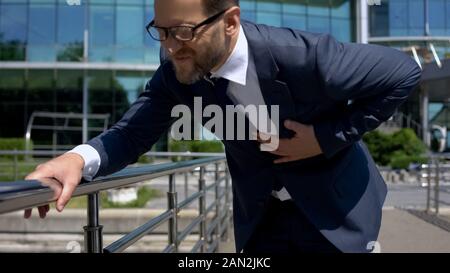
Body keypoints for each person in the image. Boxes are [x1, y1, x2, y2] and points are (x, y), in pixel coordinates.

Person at [24, 0, 422, 253]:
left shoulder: (307, 56)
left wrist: (323, 138)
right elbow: (131, 132)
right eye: (160, 32)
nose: (169, 46)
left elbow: (404, 73)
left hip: (336, 214)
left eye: (183, 32)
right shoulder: (176, 74)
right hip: (261, 220)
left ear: (230, 21)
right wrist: (78, 159)